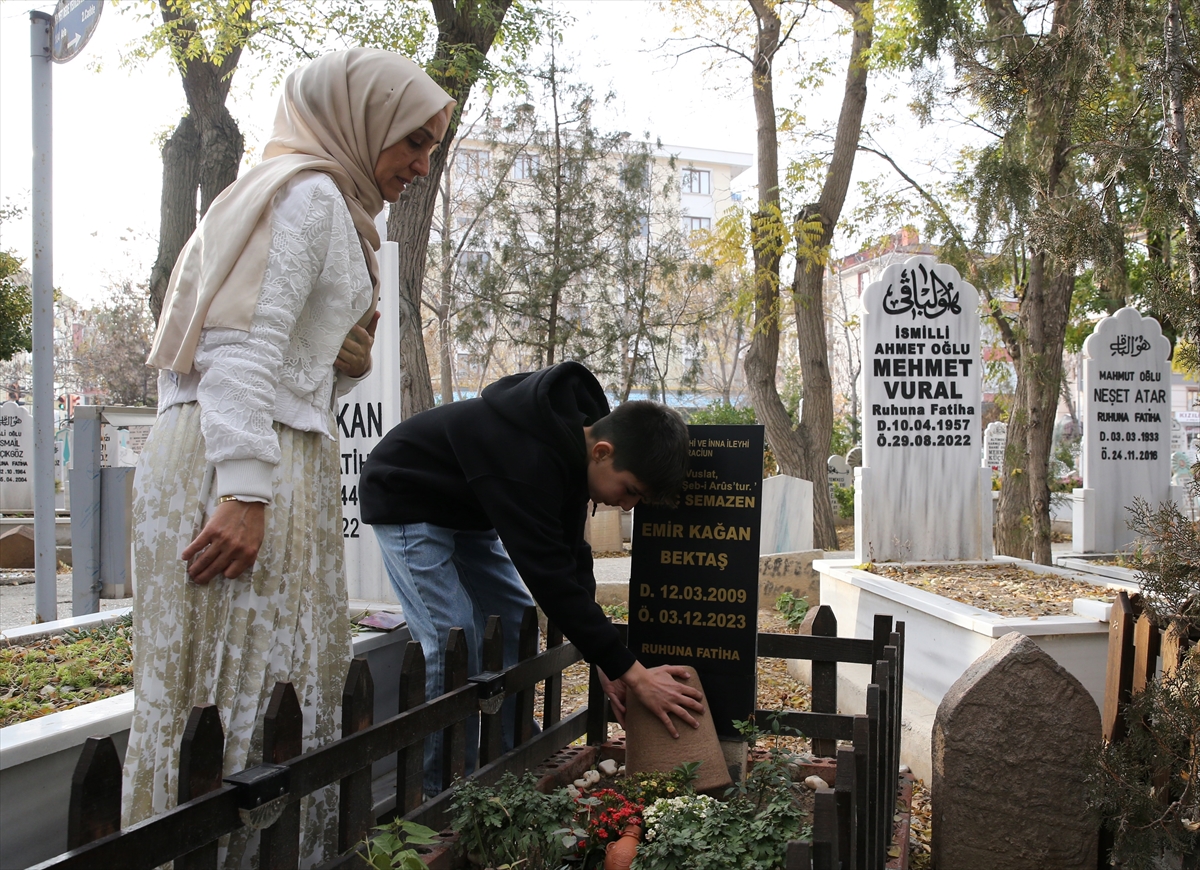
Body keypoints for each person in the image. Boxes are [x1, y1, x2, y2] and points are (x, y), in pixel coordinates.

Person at [121, 49, 454, 867]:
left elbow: (290, 369)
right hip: (233, 462)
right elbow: (237, 354)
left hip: (276, 458)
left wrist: (334, 368)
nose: (419, 163)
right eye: (411, 141)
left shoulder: (336, 206)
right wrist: (241, 492)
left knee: (273, 686)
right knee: (222, 690)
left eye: (430, 148)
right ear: (359, 121)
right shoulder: (304, 196)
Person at [359, 361, 706, 796]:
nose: (630, 506)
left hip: (466, 512)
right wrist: (633, 672)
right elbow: (547, 575)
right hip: (406, 496)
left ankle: (515, 761)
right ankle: (443, 792)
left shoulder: (570, 447)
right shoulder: (529, 456)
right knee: (454, 635)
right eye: (631, 489)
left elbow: (572, 559)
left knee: (513, 618)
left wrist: (604, 657)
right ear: (602, 452)